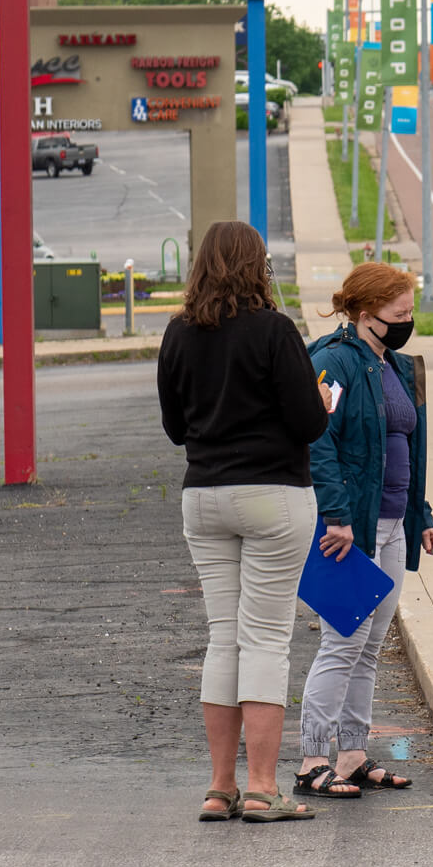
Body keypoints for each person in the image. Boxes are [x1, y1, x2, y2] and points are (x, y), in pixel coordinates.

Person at [158, 221, 332, 821]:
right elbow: (310, 423)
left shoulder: (178, 333)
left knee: (222, 637)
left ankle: (218, 787)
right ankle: (263, 788)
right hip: (273, 494)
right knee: (264, 638)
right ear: (256, 266)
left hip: (203, 496)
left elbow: (176, 427)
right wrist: (323, 402)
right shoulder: (274, 331)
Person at [293, 262, 433, 799]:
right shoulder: (332, 364)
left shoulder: (397, 367)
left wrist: (420, 514)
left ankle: (352, 755)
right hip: (350, 529)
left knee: (371, 644)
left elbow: (407, 447)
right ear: (364, 314)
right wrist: (337, 515)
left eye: (410, 312)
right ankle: (312, 760)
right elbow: (318, 442)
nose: (407, 322)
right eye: (398, 314)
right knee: (342, 642)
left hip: (394, 522)